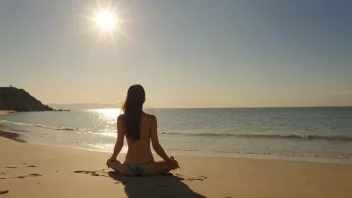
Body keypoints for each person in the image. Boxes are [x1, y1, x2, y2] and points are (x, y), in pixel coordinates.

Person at [107, 84, 180, 176]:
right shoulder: (151, 119)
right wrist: (168, 161)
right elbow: (156, 146)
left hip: (128, 168)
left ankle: (113, 163)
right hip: (148, 168)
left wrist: (113, 158)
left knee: (111, 162)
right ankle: (170, 160)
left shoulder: (121, 119)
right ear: (144, 99)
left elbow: (119, 143)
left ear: (128, 98)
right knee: (172, 163)